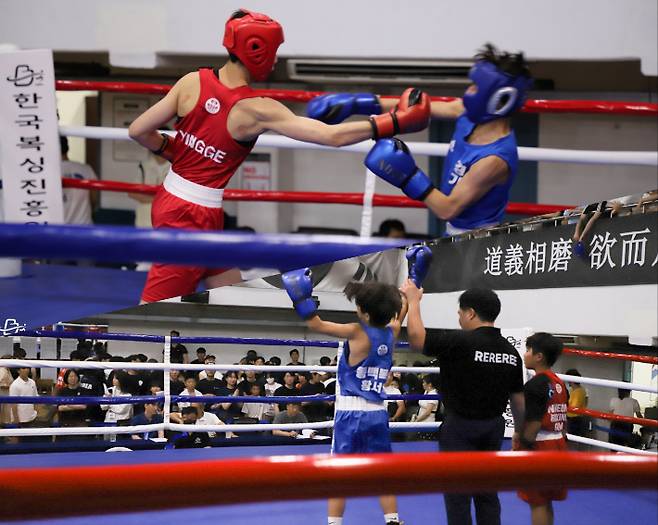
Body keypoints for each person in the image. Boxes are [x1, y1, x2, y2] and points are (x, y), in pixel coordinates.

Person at [128, 8, 431, 303]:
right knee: (153, 305)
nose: (273, 62)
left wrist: (178, 153)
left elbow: (139, 130)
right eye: (272, 53)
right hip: (191, 217)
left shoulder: (191, 81)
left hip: (172, 198)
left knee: (231, 292)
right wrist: (393, 122)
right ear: (256, 49)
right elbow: (332, 136)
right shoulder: (256, 108)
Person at [308, 43, 532, 236]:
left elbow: (448, 209)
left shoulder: (494, 159)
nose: (469, 91)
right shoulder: (467, 113)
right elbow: (413, 110)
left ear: (500, 99)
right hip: (453, 232)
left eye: (476, 87)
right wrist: (357, 103)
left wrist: (408, 176)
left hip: (479, 238)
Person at [282, 270, 408, 525]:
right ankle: (393, 520)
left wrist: (300, 297)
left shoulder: (356, 331)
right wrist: (413, 280)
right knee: (383, 471)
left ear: (365, 312)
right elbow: (402, 307)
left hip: (350, 413)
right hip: (377, 413)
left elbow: (315, 324)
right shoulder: (391, 334)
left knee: (339, 472)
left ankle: (334, 523)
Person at [402, 282, 524, 525]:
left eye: (460, 313)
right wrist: (519, 432)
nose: (459, 319)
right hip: (493, 427)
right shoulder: (510, 351)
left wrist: (414, 301)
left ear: (470, 313)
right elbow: (518, 401)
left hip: (460, 428)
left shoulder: (459, 342)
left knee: (458, 494)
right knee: (487, 492)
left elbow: (417, 340)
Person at [516, 332, 568, 525]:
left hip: (540, 447)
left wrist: (523, 447)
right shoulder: (559, 382)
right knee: (546, 500)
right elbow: (563, 420)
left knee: (537, 501)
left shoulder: (536, 384)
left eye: (528, 350)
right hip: (558, 445)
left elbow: (534, 423)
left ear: (539, 356)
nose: (525, 353)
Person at [60, 136, 98, 226]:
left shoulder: (48, 173)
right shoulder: (86, 169)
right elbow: (93, 200)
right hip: (84, 227)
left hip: (58, 229)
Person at [8, 367, 39, 434]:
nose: (27, 370)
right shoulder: (15, 385)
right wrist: (16, 419)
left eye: (28, 368)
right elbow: (13, 404)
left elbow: (36, 398)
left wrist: (36, 413)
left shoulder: (32, 382)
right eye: (24, 368)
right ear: (18, 371)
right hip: (21, 418)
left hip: (31, 416)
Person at [565, 369, 588, 440]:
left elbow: (573, 408)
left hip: (575, 420)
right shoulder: (573, 390)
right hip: (572, 419)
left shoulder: (579, 391)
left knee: (572, 442)